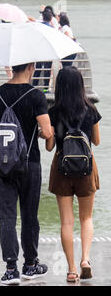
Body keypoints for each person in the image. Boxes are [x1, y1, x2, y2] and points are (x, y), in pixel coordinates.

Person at [0, 62, 53, 285]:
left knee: (6, 217)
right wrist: (46, 133)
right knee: (29, 215)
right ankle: (30, 264)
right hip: (29, 162)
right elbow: (46, 131)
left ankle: (10, 269)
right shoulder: (36, 96)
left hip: (3, 163)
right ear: (32, 67)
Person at [46, 66, 101, 283]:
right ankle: (85, 259)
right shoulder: (91, 109)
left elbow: (50, 146)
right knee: (86, 218)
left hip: (62, 168)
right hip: (87, 170)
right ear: (80, 85)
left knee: (66, 222)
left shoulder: (53, 112)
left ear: (59, 86)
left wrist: (47, 134)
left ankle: (70, 270)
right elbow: (96, 141)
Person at [32, 10, 54, 92]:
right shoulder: (52, 29)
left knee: (37, 69)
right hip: (48, 52)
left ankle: (33, 87)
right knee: (47, 70)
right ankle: (45, 89)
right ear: (51, 18)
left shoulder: (38, 27)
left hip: (39, 51)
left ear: (43, 17)